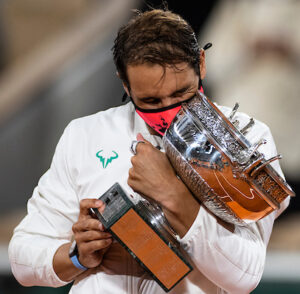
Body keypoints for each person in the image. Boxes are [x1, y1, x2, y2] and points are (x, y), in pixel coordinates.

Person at [9, 8, 289, 294]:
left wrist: (175, 195)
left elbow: (245, 276)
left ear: (201, 64)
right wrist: (77, 256)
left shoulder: (249, 138)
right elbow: (22, 258)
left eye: (181, 93)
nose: (168, 111)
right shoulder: (84, 135)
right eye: (152, 100)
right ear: (125, 84)